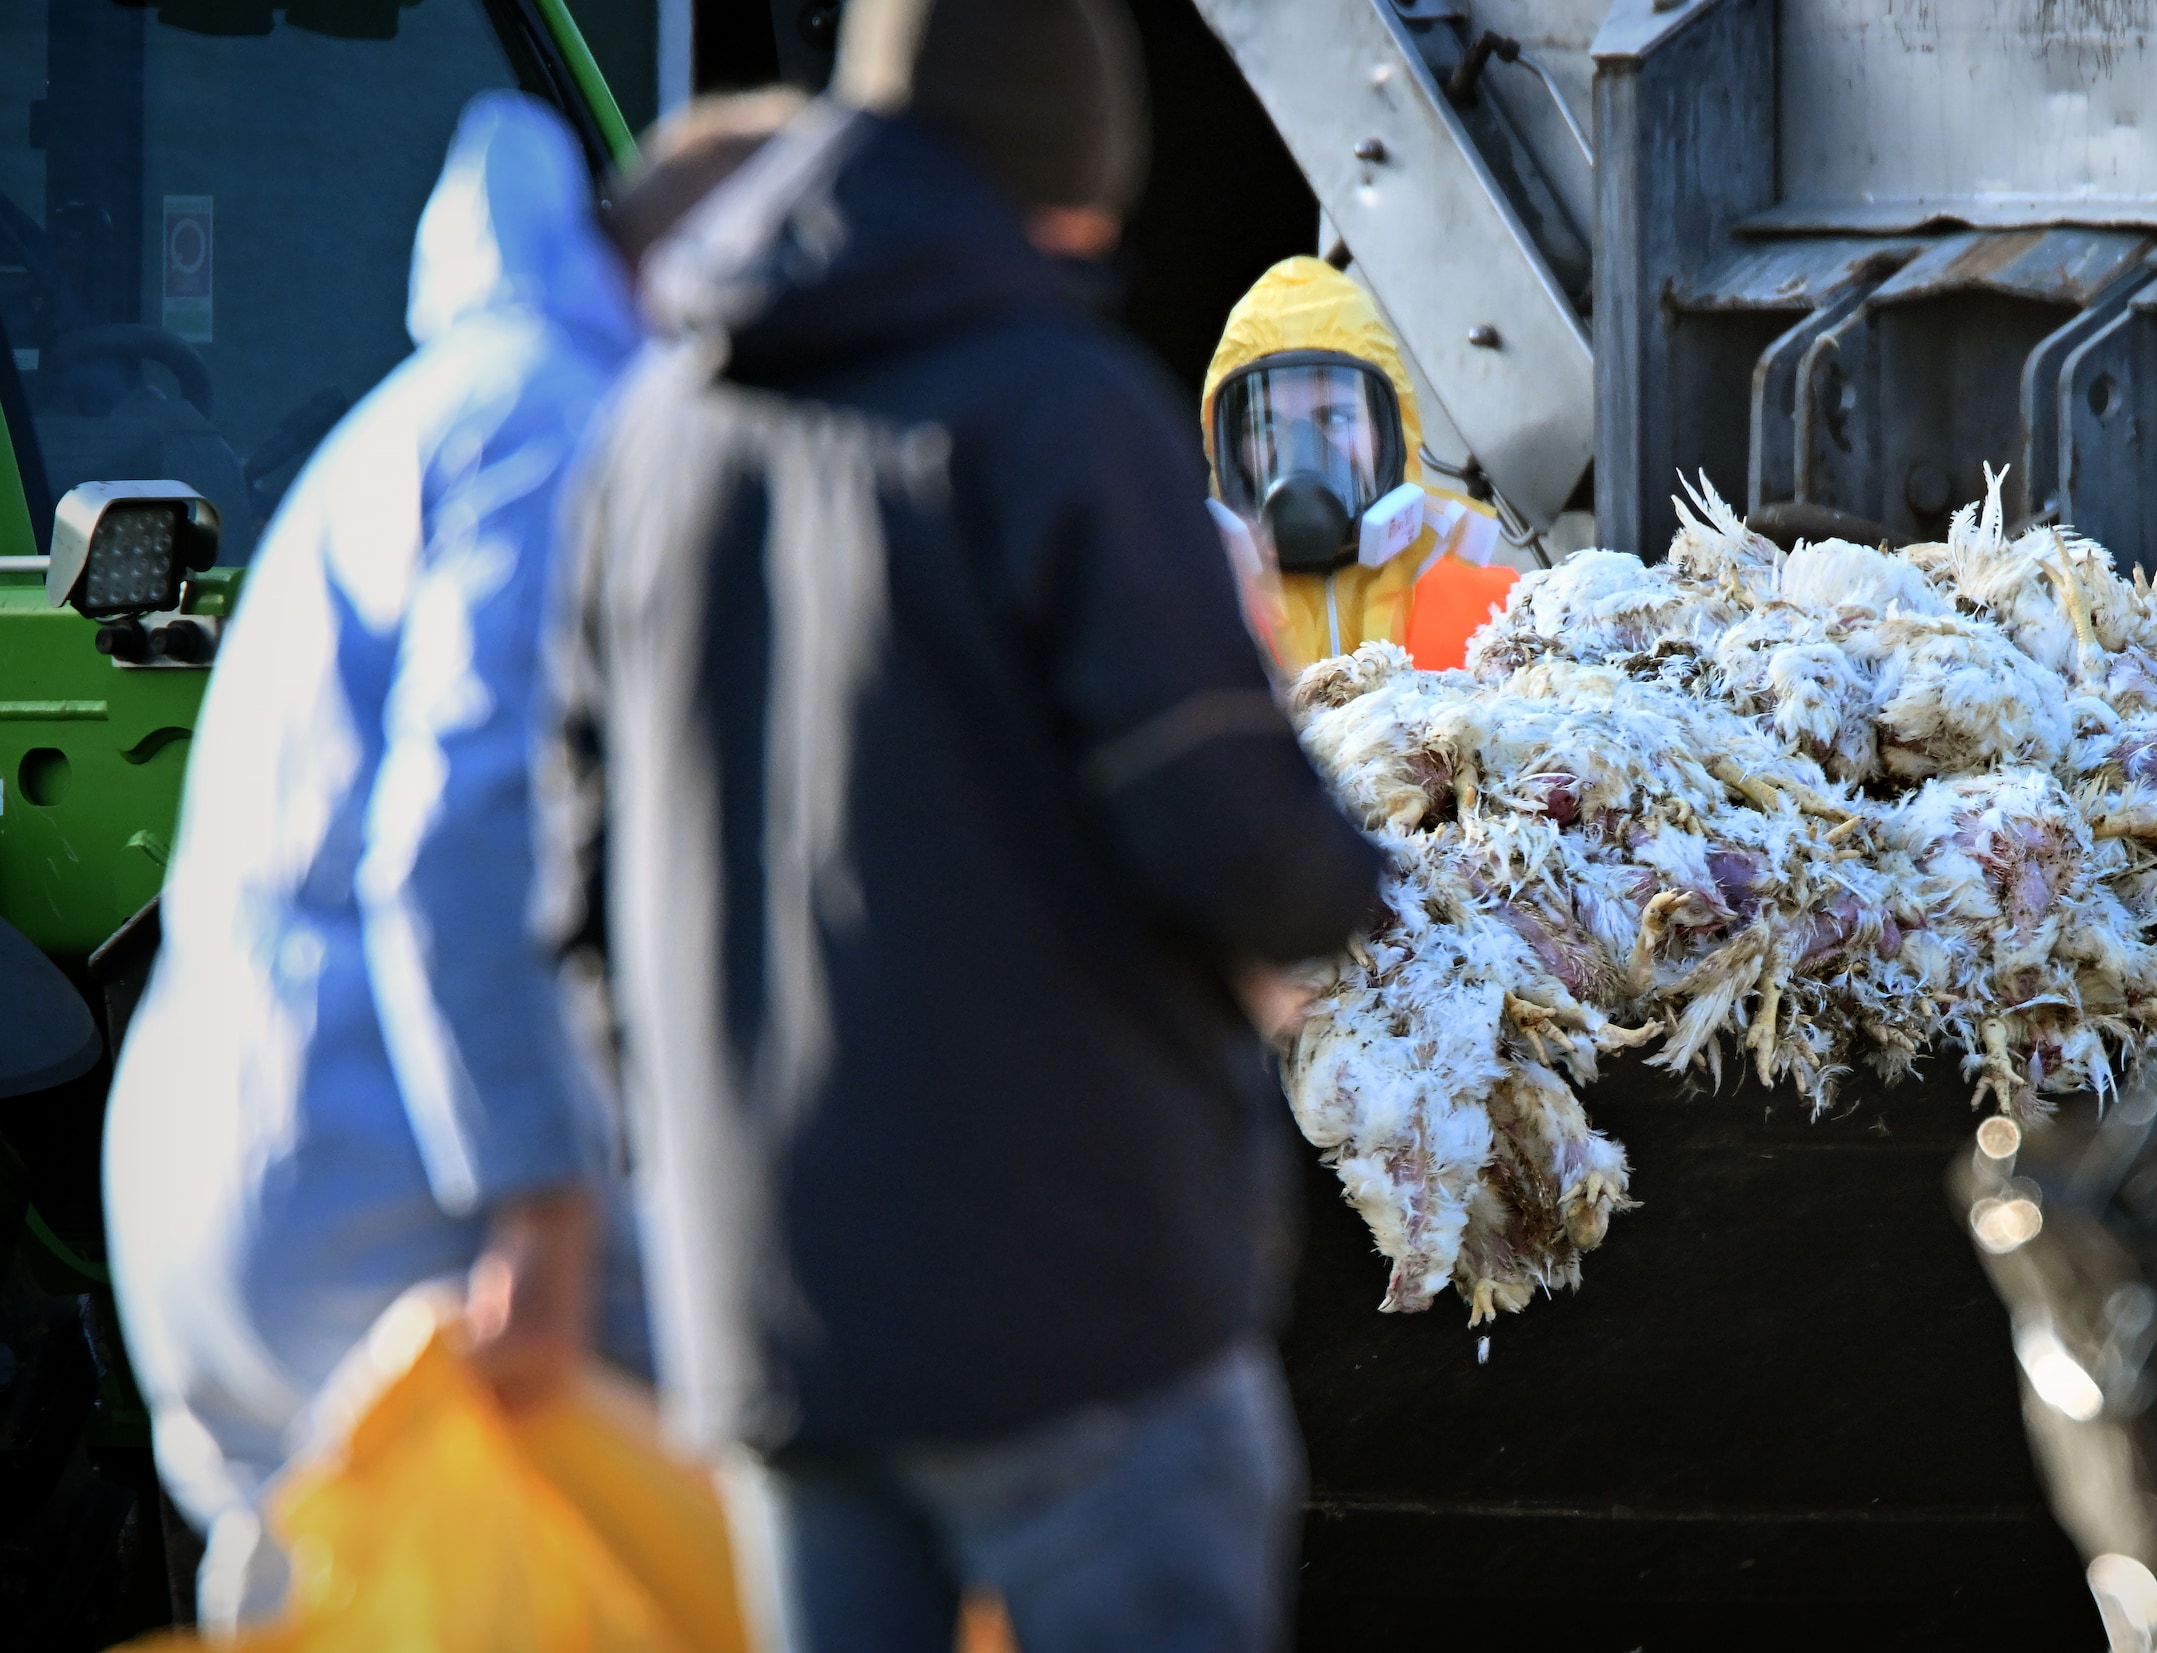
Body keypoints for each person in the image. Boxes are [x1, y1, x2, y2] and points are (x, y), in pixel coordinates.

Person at [533, 1, 1385, 1648]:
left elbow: (573, 889)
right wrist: (1344, 888)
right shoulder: (1061, 410)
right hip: (1072, 1301)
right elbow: (1243, 847)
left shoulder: (648, 441)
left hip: (776, 1320)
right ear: (1061, 175)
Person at [101, 93, 645, 1628]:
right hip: (376, 1176)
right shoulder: (560, 419)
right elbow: (463, 831)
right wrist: (543, 1194)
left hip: (213, 1164)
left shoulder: (418, 417)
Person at [1202, 256, 1518, 675]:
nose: (1300, 452)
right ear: (1227, 449)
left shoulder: (1501, 617)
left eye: (1334, 417)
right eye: (1265, 425)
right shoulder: (1187, 618)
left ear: (1391, 432)